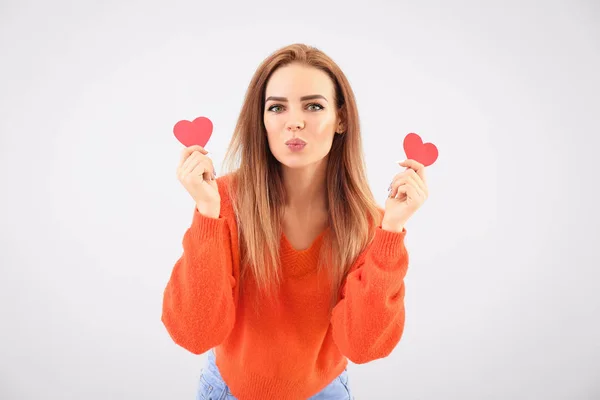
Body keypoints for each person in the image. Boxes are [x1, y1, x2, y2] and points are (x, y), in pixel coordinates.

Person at [161, 43, 429, 400]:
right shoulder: (223, 201)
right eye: (277, 107)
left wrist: (392, 231)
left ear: (341, 119)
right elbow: (194, 333)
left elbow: (364, 347)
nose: (295, 121)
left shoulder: (370, 223)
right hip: (227, 390)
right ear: (263, 120)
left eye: (314, 106)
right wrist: (208, 215)